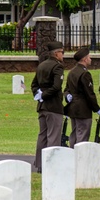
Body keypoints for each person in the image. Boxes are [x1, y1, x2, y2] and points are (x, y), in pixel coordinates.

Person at [31, 40, 65, 172]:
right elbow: (57, 87)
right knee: (53, 136)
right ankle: (50, 164)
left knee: (42, 136)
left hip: (42, 106)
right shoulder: (57, 66)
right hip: (53, 106)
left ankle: (40, 164)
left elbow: (34, 84)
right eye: (62, 52)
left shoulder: (42, 65)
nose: (63, 55)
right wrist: (44, 95)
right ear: (56, 54)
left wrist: (38, 94)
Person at [64, 46, 100, 147]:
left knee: (75, 134)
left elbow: (66, 89)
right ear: (85, 59)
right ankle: (79, 159)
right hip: (83, 109)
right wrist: (96, 108)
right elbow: (89, 94)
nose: (90, 59)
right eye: (89, 57)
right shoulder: (85, 74)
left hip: (73, 108)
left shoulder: (72, 72)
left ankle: (72, 157)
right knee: (82, 135)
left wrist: (67, 95)